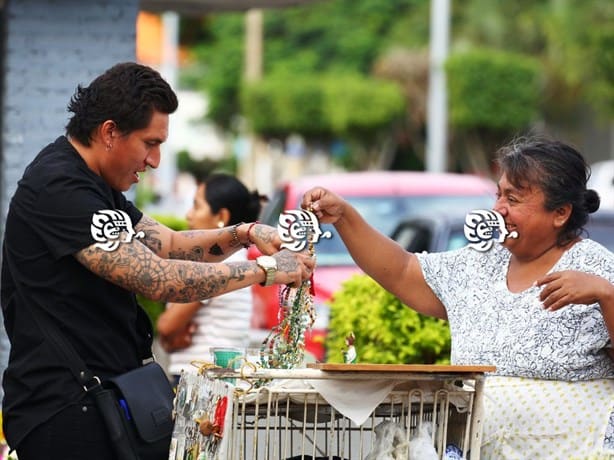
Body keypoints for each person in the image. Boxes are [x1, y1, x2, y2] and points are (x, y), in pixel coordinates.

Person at [0, 62, 314, 460]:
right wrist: (266, 270)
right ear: (110, 132)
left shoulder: (94, 185)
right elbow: (159, 279)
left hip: (101, 403)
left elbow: (167, 244)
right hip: (65, 412)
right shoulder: (59, 186)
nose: (155, 161)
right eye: (150, 143)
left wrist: (245, 234)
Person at [302, 137, 614, 459]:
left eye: (514, 198)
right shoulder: (481, 261)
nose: (499, 209)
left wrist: (607, 296)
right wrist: (344, 217)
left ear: (560, 213)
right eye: (499, 194)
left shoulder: (599, 270)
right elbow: (403, 269)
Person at [156, 173, 267, 382]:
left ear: (221, 218)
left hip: (201, 379)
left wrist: (170, 334)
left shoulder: (217, 263)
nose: (189, 215)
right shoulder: (236, 259)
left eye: (197, 206)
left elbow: (166, 326)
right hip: (216, 376)